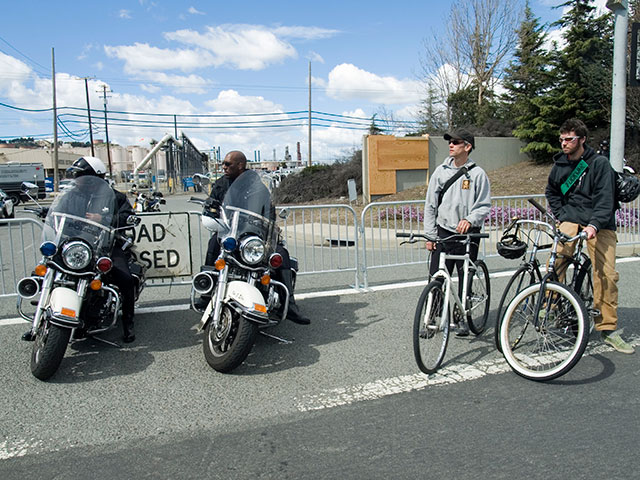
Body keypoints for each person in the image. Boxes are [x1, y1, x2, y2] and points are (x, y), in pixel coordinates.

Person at [546, 118, 633, 354]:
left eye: (569, 139)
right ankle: (553, 306)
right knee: (555, 262)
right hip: (572, 219)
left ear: (582, 140)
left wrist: (594, 224)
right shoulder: (560, 165)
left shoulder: (599, 164)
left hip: (600, 223)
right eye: (561, 139)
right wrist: (562, 215)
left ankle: (607, 328)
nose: (564, 143)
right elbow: (552, 191)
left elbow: (606, 199)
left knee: (606, 274)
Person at [197, 150, 310, 325]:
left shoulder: (257, 186)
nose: (224, 167)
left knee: (281, 254)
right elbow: (213, 204)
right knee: (214, 242)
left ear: (241, 166)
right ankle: (207, 292)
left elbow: (268, 211)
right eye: (223, 164)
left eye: (228, 164)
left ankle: (290, 305)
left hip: (254, 234)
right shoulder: (221, 184)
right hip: (230, 231)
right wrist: (210, 207)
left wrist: (269, 225)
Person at [423, 129, 491, 336]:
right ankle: (431, 318)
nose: (450, 145)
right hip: (444, 232)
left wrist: (470, 220)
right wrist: (430, 235)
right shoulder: (440, 171)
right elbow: (430, 205)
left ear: (467, 147)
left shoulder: (478, 174)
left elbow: (483, 206)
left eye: (455, 142)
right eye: (449, 142)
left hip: (468, 235)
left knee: (465, 277)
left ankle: (461, 317)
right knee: (437, 277)